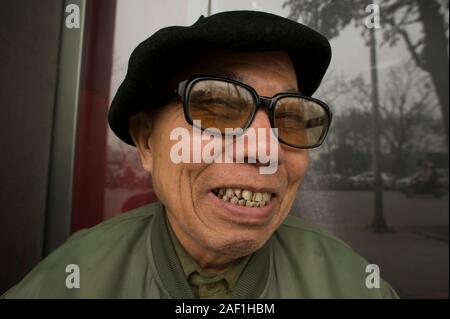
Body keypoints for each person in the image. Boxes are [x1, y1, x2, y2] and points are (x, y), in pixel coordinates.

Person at [3, 11, 398, 299]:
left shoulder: (353, 285)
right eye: (217, 105)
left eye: (292, 117)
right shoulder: (68, 282)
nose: (265, 149)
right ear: (146, 142)